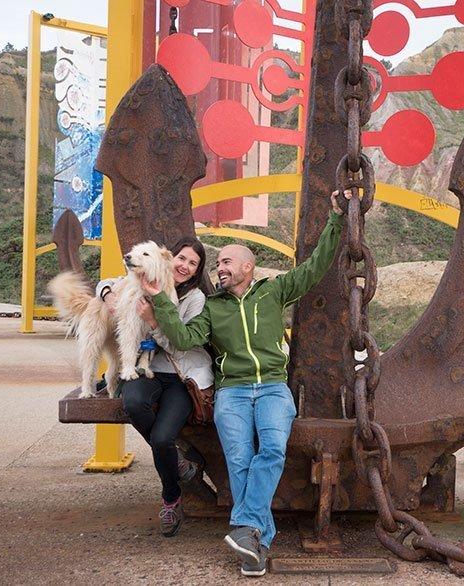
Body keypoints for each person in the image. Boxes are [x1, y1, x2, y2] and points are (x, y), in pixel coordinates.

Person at [142, 190, 349, 577]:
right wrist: (160, 301)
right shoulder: (212, 307)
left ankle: (246, 530)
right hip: (232, 391)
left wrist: (336, 218)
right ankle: (255, 542)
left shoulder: (274, 291)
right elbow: (184, 339)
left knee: (271, 450)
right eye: (218, 263)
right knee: (239, 460)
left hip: (272, 387)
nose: (219, 268)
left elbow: (316, 266)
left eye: (226, 261)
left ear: (248, 267)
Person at [97, 237, 214, 538]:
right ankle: (179, 463)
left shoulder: (195, 299)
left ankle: (170, 499)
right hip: (146, 370)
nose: (184, 266)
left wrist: (153, 321)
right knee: (134, 403)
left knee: (162, 438)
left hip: (179, 375)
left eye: (193, 264)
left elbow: (179, 344)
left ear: (197, 271)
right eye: (181, 259)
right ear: (168, 258)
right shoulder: (144, 277)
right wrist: (107, 294)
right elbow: (108, 282)